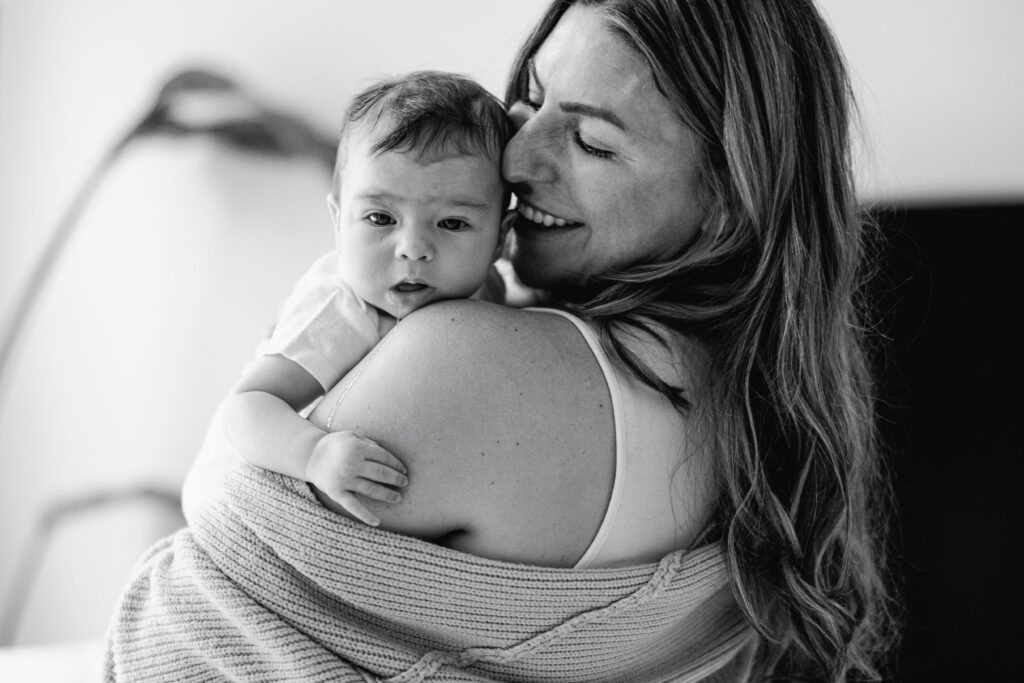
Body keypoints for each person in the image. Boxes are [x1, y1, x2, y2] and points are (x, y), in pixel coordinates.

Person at [122, 1, 899, 681]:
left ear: (730, 201)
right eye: (529, 101)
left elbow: (172, 632)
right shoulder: (762, 420)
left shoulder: (468, 357)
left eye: (591, 140)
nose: (516, 160)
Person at [219, 71, 514, 526]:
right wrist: (314, 454)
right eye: (380, 217)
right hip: (271, 507)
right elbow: (245, 407)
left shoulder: (485, 287)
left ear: (499, 239)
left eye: (452, 223)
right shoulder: (342, 310)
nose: (413, 248)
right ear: (339, 222)